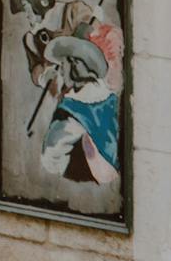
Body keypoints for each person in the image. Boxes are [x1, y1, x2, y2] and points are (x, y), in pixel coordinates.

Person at [40, 30, 122, 187]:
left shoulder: (70, 111)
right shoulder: (110, 99)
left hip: (84, 179)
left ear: (75, 65)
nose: (62, 69)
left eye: (65, 63)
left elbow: (50, 158)